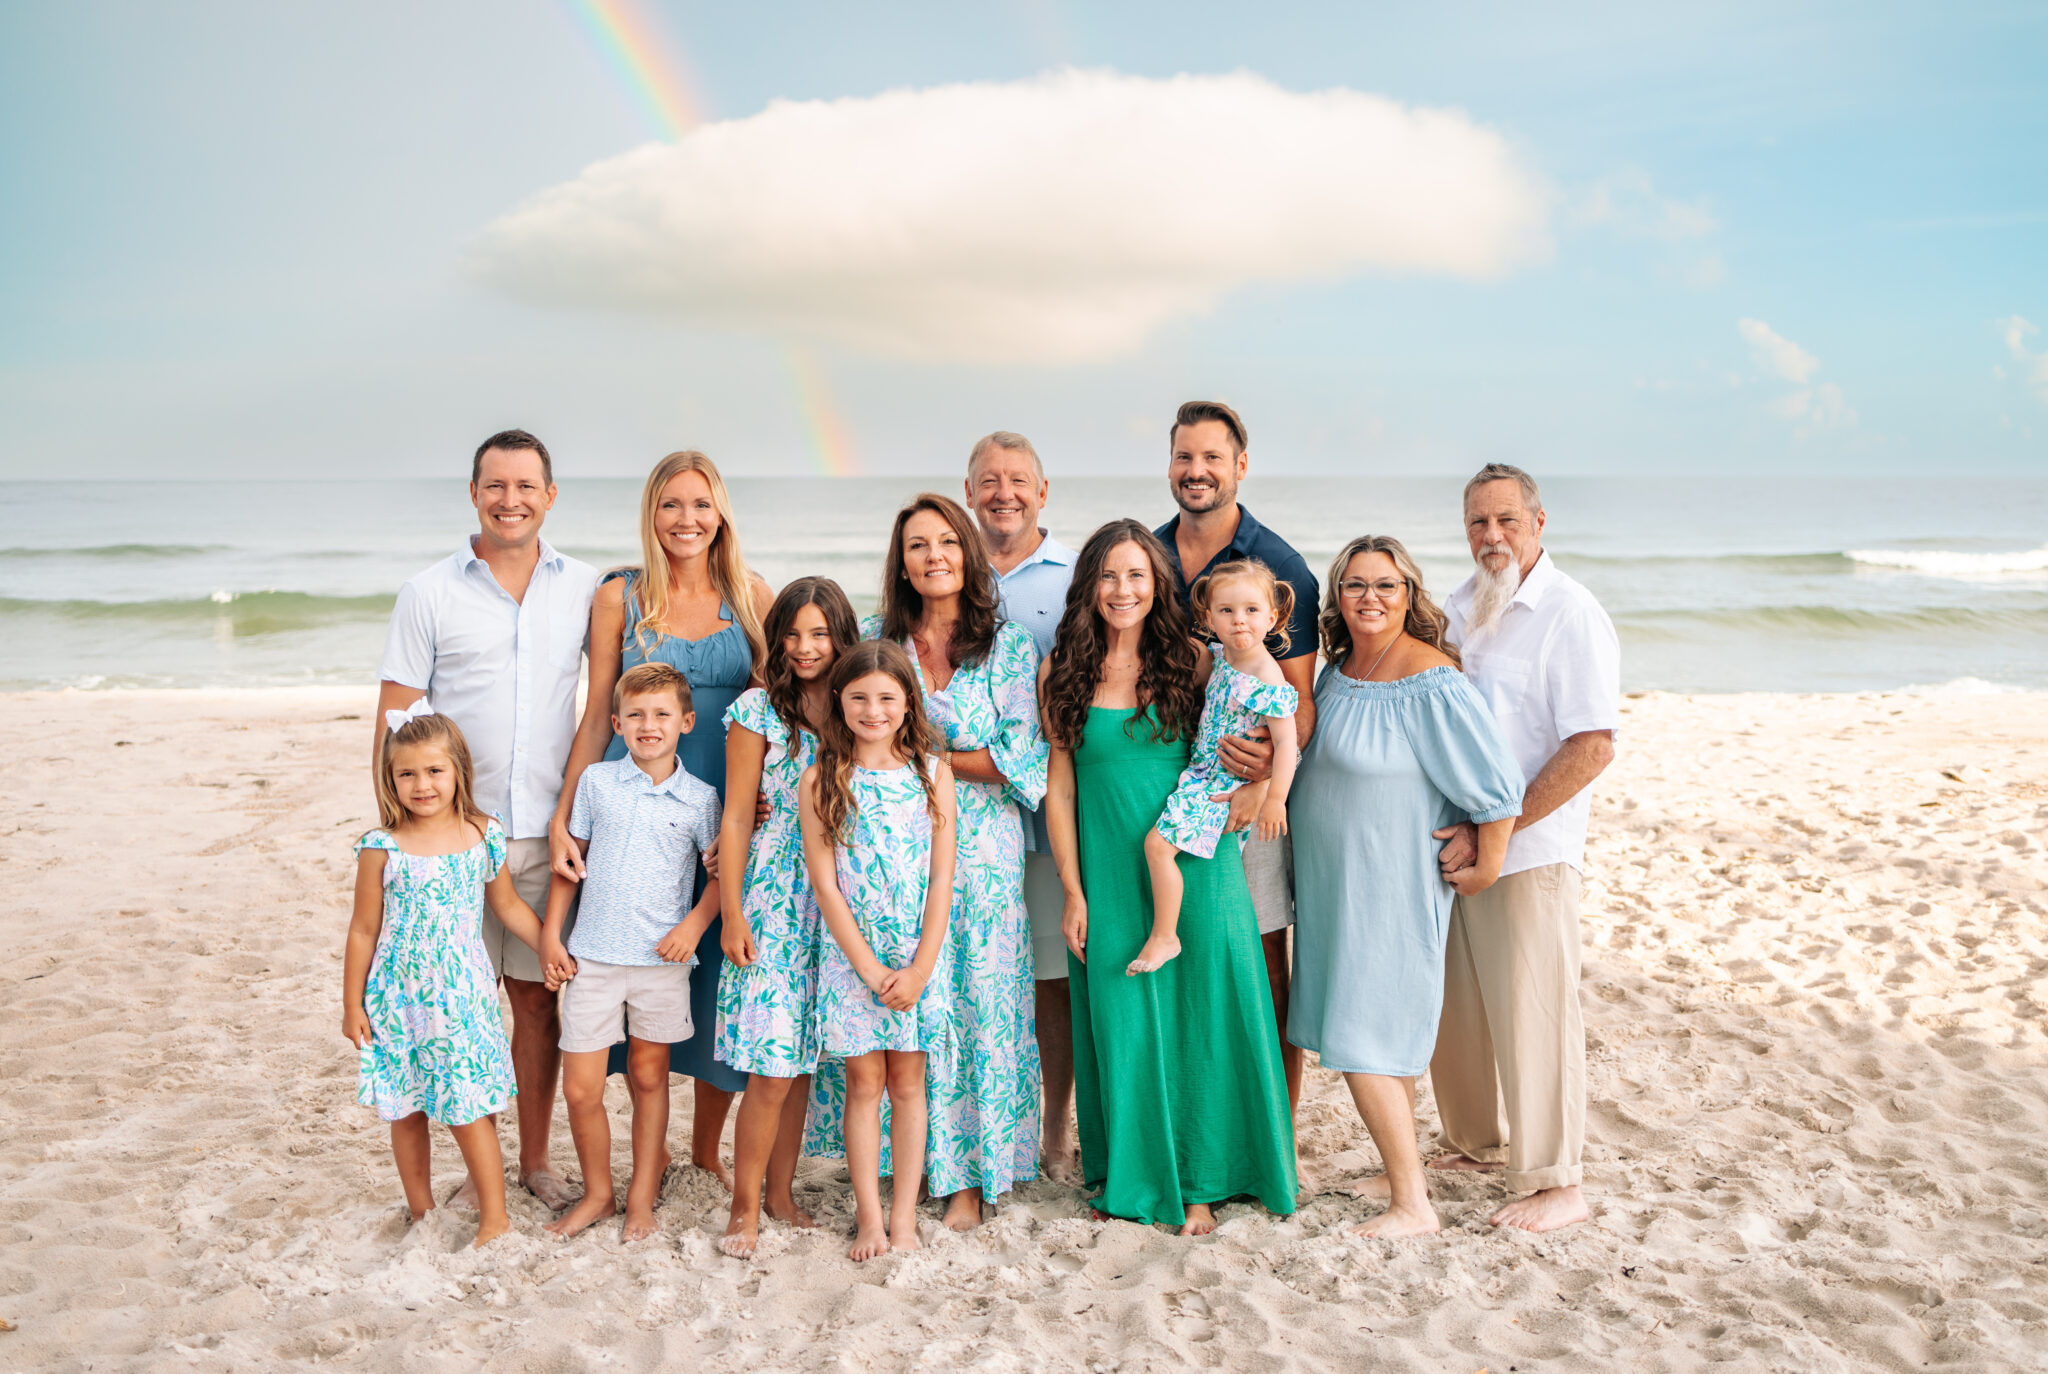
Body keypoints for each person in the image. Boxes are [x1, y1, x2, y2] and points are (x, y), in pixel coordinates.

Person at [1041, 520, 1296, 1234]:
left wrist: (1261, 783)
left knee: (1202, 1013)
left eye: (1137, 576)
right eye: (1109, 576)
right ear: (1090, 584)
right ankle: (1141, 1171)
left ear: (1158, 585)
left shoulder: (1196, 660)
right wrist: (1072, 887)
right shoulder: (1062, 666)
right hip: (1108, 868)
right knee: (1126, 1014)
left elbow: (1263, 725)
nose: (1123, 590)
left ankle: (1204, 1181)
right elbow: (1060, 789)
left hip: (1195, 857)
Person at [811, 493, 1047, 1231]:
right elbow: (844, 728)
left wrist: (929, 755)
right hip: (890, 859)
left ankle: (970, 1181)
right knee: (899, 1026)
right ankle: (901, 1183)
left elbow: (1022, 758)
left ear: (968, 553)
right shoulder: (885, 643)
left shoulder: (1007, 647)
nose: (934, 556)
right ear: (901, 561)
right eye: (918, 545)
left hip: (982, 851)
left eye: (947, 541)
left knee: (977, 1006)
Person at [375, 428, 598, 1211]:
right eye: (495, 486)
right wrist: (404, 839)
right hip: (452, 841)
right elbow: (396, 722)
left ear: (550, 496)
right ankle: (478, 1168)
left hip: (544, 832)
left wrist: (579, 815)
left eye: (526, 486)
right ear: (473, 493)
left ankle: (532, 1162)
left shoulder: (585, 588)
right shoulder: (428, 592)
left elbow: (601, 705)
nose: (511, 500)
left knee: (535, 1002)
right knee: (451, 1004)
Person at [1289, 537, 1525, 1237]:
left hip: (1388, 886)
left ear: (1409, 595)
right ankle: (1403, 1174)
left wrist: (1486, 861)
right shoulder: (1337, 672)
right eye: (1355, 586)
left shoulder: (1433, 681)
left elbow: (1497, 787)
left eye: (1386, 586)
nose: (1370, 599)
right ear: (1337, 598)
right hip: (1336, 889)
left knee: (1365, 1036)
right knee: (1371, 1031)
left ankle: (1412, 1206)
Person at [551, 451, 774, 1188]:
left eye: (701, 505)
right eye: (671, 504)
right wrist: (565, 816)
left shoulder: (752, 597)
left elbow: (777, 711)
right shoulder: (621, 596)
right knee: (631, 952)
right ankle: (633, 1155)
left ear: (722, 514)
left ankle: (704, 1149)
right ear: (652, 513)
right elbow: (595, 718)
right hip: (633, 808)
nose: (687, 520)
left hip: (723, 806)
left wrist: (771, 790)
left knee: (716, 981)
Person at [1428, 464, 1619, 1234]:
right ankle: (1472, 1143)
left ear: (1540, 524)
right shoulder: (1460, 605)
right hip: (1455, 843)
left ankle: (1556, 1179)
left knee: (1535, 1011)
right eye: (1478, 522)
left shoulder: (1571, 613)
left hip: (1532, 849)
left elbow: (1593, 745)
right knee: (1460, 1008)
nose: (1491, 536)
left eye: (1507, 520)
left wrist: (1501, 829)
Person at [1152, 401, 1319, 1109]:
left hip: (1248, 799)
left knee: (1261, 954)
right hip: (1174, 781)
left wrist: (1262, 785)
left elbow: (1302, 703)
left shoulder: (1279, 568)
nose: (1197, 472)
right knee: (1189, 951)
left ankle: (1276, 1121)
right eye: (1185, 457)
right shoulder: (1150, 556)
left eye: (1212, 458)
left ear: (1240, 467)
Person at [343, 703, 550, 1248]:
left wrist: (551, 945)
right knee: (406, 1106)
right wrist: (352, 1005)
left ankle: (495, 1218)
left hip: (460, 994)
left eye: (434, 770)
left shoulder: (482, 835)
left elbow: (506, 907)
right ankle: (421, 1212)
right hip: (395, 995)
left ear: (458, 769)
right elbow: (363, 930)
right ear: (390, 780)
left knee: (467, 1106)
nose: (421, 784)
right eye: (406, 773)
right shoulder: (380, 847)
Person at [540, 663, 723, 1242]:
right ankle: (599, 1193)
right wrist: (552, 935)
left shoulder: (700, 799)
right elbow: (572, 865)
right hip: (593, 957)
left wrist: (695, 926)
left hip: (662, 964)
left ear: (686, 722)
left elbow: (720, 875)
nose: (650, 725)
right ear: (617, 723)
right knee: (582, 1087)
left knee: (650, 1079)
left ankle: (641, 1198)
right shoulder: (595, 783)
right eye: (637, 715)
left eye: (663, 714)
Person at [715, 577, 861, 1259]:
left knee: (805, 1063)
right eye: (793, 634)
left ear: (842, 637)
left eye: (820, 633)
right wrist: (731, 911)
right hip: (773, 902)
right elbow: (739, 814)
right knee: (771, 1067)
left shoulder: (855, 709)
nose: (805, 647)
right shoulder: (756, 712)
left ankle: (781, 1194)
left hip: (838, 903)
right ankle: (744, 1208)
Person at [799, 641, 959, 1261]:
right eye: (859, 697)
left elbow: (942, 877)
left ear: (907, 702)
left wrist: (920, 967)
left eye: (887, 698)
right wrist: (866, 968)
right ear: (839, 701)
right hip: (853, 958)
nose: (873, 710)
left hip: (919, 954)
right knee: (864, 1083)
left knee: (909, 1083)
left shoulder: (932, 773)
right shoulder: (823, 777)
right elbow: (825, 884)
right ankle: (869, 1218)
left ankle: (904, 1218)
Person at [960, 430, 1080, 1178]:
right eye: (988, 480)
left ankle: (1056, 1131)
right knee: (981, 973)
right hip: (973, 819)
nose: (1003, 492)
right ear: (969, 491)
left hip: (1058, 810)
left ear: (1043, 492)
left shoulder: (1073, 577)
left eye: (1017, 480)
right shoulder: (945, 567)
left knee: (1053, 978)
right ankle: (976, 1123)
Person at [1133, 560, 1299, 975]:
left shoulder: (1268, 679)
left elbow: (1286, 743)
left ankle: (1165, 936)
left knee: (1157, 847)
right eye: (1226, 611)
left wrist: (1274, 799)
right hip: (1202, 773)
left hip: (1222, 785)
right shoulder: (1223, 657)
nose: (1238, 620)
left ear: (1272, 616)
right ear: (1208, 618)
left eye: (1251, 610)